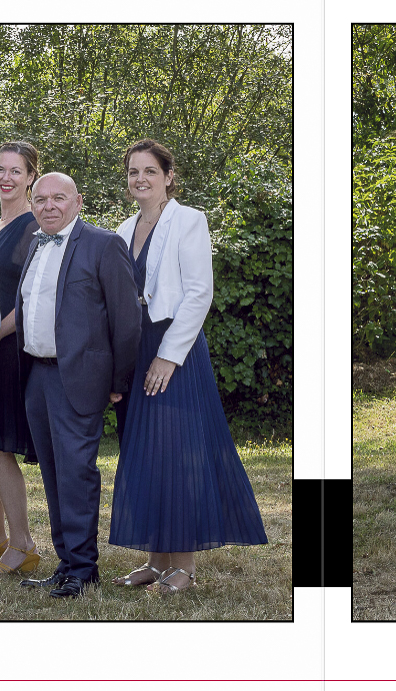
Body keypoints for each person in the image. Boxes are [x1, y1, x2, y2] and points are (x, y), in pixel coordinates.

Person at [108, 140, 270, 594]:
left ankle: (185, 567)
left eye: (149, 171)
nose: (140, 179)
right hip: (136, 352)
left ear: (168, 177)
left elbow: (199, 293)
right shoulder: (123, 230)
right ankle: (156, 562)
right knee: (146, 456)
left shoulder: (189, 220)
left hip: (173, 352)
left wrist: (168, 356)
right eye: (133, 172)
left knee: (179, 455)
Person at [12, 172, 141, 599]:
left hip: (80, 378)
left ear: (78, 201)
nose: (49, 205)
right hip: (38, 375)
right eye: (41, 199)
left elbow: (126, 321)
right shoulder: (33, 242)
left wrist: (117, 381)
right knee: (52, 474)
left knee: (76, 475)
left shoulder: (104, 244)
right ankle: (66, 562)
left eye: (59, 198)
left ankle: (84, 569)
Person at [0, 141, 45, 576]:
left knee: (0, 446)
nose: (6, 178)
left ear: (32, 177)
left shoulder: (36, 226)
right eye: (0, 169)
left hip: (8, 346)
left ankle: (24, 544)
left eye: (15, 172)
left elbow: (30, 300)